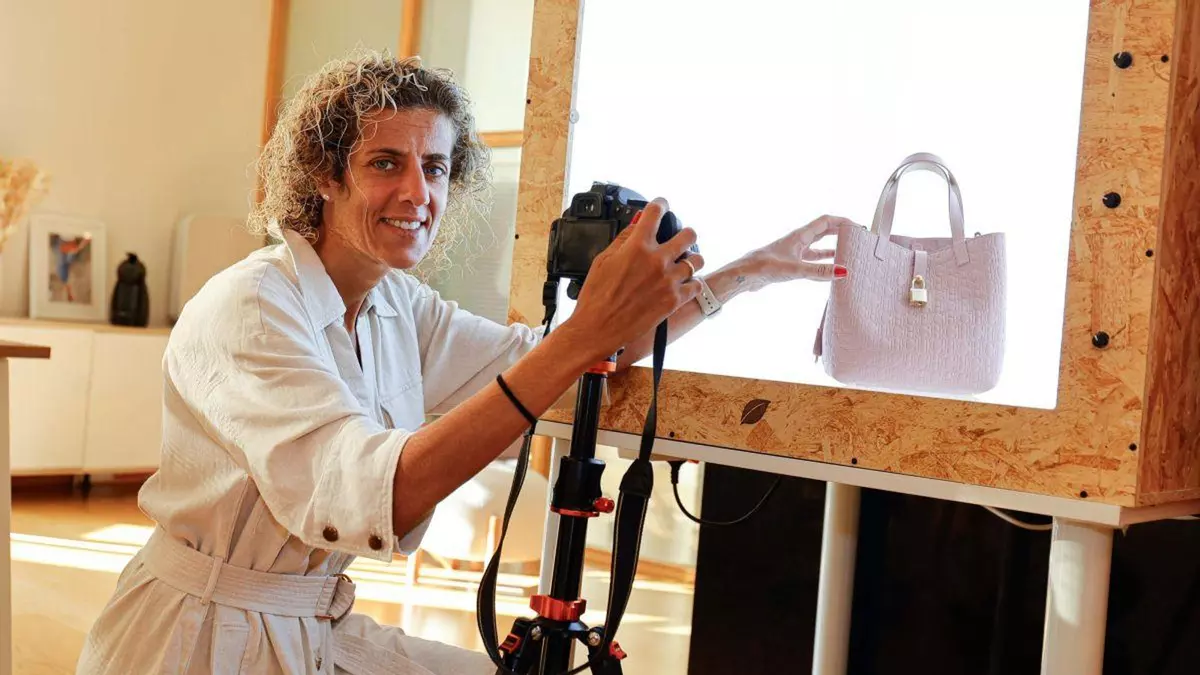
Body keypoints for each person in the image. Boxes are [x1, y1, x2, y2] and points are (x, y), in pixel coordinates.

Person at [76, 50, 854, 675]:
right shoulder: (253, 305)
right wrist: (582, 335)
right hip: (196, 637)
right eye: (386, 163)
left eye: (437, 167)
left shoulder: (397, 303)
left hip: (309, 619)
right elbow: (372, 490)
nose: (418, 191)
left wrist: (748, 272)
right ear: (323, 174)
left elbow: (564, 363)